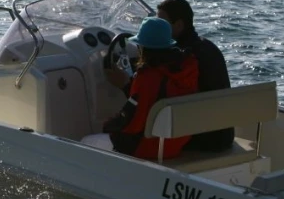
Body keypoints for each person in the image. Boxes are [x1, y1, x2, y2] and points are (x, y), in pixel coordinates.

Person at [83, 17, 198, 160]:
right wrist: (128, 85)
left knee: (86, 142)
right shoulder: (186, 70)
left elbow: (133, 124)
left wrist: (108, 125)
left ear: (142, 47)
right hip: (173, 145)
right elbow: (155, 97)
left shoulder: (147, 77)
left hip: (147, 148)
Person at [157, 0, 234, 152]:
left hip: (200, 139)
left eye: (161, 24)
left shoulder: (180, 57)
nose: (157, 28)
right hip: (223, 135)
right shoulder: (208, 47)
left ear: (178, 25)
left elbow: (153, 98)